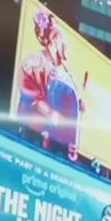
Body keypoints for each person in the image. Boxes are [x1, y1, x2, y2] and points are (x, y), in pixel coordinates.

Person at [14, 8, 82, 147]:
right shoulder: (36, 61)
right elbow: (33, 100)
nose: (66, 48)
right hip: (35, 138)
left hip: (62, 145)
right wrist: (54, 116)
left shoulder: (66, 72)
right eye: (63, 42)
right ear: (55, 40)